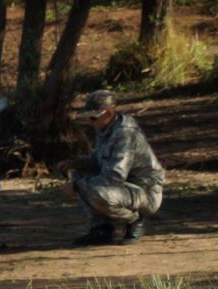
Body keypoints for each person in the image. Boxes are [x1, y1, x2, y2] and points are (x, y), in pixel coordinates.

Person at [59, 90, 165, 245]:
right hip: (126, 189)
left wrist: (76, 186)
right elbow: (98, 163)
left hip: (145, 192)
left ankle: (134, 221)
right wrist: (74, 163)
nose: (90, 121)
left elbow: (114, 176)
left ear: (108, 113)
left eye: (93, 117)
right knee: (80, 173)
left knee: (95, 191)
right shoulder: (104, 128)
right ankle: (102, 229)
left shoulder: (125, 134)